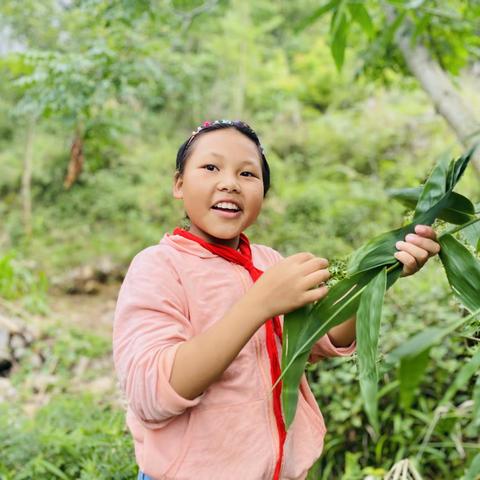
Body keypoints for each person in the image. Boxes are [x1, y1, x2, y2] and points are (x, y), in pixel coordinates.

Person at [112, 119, 441, 480]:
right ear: (179, 184)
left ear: (263, 194)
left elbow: (327, 336)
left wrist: (382, 272)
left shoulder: (270, 263)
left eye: (248, 174)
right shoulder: (159, 266)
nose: (229, 183)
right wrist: (259, 304)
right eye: (210, 167)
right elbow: (153, 393)